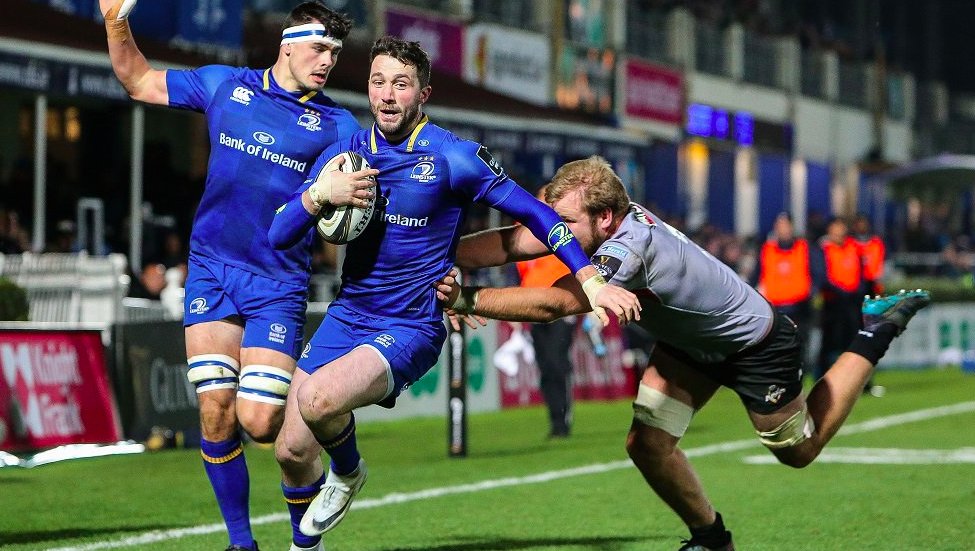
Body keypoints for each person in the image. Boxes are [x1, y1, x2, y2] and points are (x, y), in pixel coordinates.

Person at [435, 156, 930, 551]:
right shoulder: (598, 219)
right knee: (647, 445)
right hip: (689, 344)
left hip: (752, 343)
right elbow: (512, 242)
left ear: (604, 218)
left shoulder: (628, 249)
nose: (554, 232)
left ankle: (875, 331)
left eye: (563, 222)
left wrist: (463, 299)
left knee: (798, 450)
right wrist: (429, 256)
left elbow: (555, 303)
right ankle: (712, 540)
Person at [267, 36, 641, 541]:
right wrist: (318, 194)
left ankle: (349, 470)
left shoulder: (454, 157)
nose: (387, 95)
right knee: (290, 450)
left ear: (423, 94)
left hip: (410, 324)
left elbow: (540, 216)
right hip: (348, 313)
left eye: (401, 84)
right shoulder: (344, 155)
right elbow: (279, 233)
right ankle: (304, 545)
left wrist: (590, 279)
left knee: (317, 401)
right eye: (378, 82)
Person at [99, 2, 370, 550]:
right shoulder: (226, 85)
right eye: (319, 48)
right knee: (215, 411)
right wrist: (115, 23)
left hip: (277, 284)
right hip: (211, 271)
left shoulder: (339, 126)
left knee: (262, 421)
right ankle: (241, 544)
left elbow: (367, 205)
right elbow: (139, 80)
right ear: (288, 43)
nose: (327, 62)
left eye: (335, 54)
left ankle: (307, 522)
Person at [517, 248, 576, 438]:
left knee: (556, 363)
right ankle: (556, 421)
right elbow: (525, 277)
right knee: (546, 368)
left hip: (560, 309)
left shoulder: (555, 234)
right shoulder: (523, 246)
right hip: (535, 311)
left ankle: (563, 418)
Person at [754, 212, 817, 366]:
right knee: (776, 346)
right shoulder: (766, 249)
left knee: (800, 344)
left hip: (800, 307)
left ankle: (801, 370)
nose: (783, 229)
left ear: (791, 227)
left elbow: (816, 273)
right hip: (775, 308)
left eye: (785, 225)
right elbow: (756, 276)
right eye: (779, 225)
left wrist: (813, 292)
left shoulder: (804, 248)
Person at [814, 216, 866, 383]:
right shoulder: (823, 249)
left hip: (853, 302)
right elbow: (823, 277)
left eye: (841, 227)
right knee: (829, 343)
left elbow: (862, 273)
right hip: (833, 303)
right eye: (835, 227)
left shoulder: (854, 247)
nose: (839, 231)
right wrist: (842, 291)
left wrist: (857, 291)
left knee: (853, 342)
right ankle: (821, 380)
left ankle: (856, 380)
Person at [851, 213, 888, 396]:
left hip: (872, 291)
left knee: (871, 336)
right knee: (855, 338)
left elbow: (880, 268)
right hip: (853, 294)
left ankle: (867, 381)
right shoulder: (851, 245)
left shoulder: (875, 243)